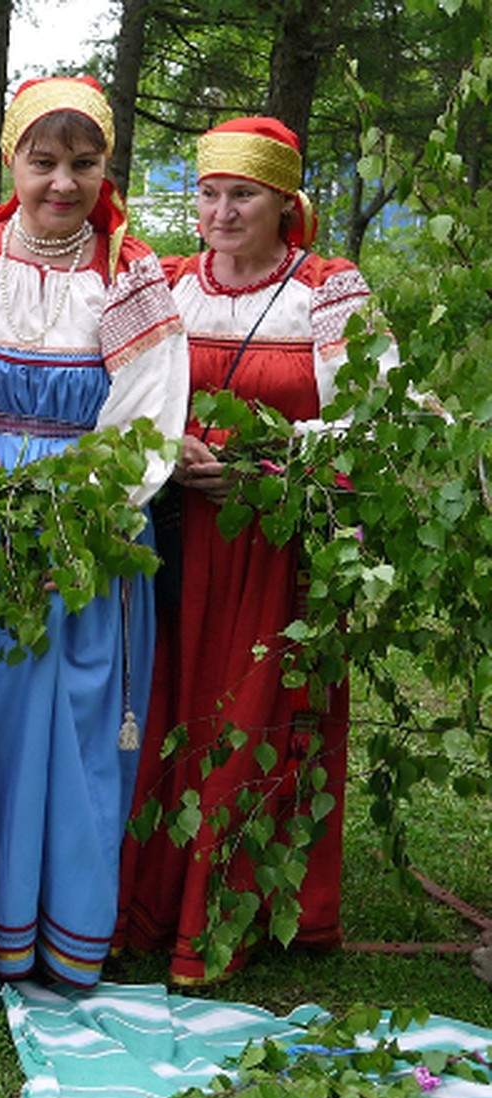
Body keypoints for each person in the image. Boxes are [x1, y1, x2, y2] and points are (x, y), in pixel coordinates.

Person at [0, 77, 189, 987]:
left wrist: (85, 497)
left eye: (84, 163)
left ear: (107, 169)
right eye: (45, 161)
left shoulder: (129, 271)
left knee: (72, 711)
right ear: (11, 161)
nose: (63, 182)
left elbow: (150, 406)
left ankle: (61, 927)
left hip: (86, 528)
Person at [113, 117, 398, 984]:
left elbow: (375, 414)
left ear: (284, 203)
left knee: (253, 707)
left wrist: (269, 467)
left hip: (275, 536)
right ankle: (152, 904)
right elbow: (117, 394)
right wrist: (166, 451)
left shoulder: (329, 289)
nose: (223, 211)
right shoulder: (162, 285)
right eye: (210, 192)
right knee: (166, 708)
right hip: (173, 532)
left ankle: (230, 910)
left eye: (244, 194)